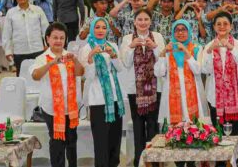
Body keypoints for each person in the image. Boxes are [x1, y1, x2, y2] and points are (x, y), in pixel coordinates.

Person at [31, 23, 84, 167]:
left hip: (71, 109)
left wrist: (75, 60)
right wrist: (52, 63)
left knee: (72, 142)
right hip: (52, 109)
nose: (58, 41)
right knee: (57, 143)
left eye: (62, 38)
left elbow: (80, 72)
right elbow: (35, 76)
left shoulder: (69, 56)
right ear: (47, 39)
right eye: (55, 37)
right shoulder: (43, 58)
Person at [119, 9, 165, 167]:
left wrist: (155, 47)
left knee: (153, 126)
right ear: (134, 22)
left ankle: (154, 162)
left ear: (151, 22)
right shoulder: (126, 39)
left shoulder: (157, 36)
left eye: (146, 19)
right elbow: (125, 62)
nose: (143, 22)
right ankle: (140, 162)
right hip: (135, 91)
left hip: (154, 89)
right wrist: (132, 46)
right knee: (138, 127)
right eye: (140, 19)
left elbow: (163, 59)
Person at [79, 17, 126, 167]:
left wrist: (113, 56)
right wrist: (91, 57)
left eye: (103, 28)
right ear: (92, 29)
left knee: (115, 138)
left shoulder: (112, 45)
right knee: (101, 140)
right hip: (97, 99)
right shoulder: (86, 49)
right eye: (97, 27)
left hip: (114, 97)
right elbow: (89, 76)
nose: (100, 30)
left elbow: (119, 69)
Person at [202, 12, 238, 147]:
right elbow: (205, 70)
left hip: (237, 95)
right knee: (217, 133)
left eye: (225, 24)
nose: (222, 27)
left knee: (234, 133)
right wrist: (210, 50)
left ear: (231, 27)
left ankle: (233, 161)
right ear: (214, 27)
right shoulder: (209, 45)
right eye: (218, 24)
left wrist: (231, 48)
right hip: (215, 96)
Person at [156, 20, 208, 125]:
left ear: (189, 31)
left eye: (183, 30)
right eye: (177, 30)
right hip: (172, 94)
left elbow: (198, 70)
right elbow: (159, 73)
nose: (180, 33)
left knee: (194, 127)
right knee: (174, 131)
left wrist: (185, 51)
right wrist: (162, 53)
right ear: (173, 33)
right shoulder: (168, 49)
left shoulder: (197, 48)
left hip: (193, 92)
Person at [3, 0, 49, 76]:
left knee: (40, 77)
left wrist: (47, 45)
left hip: (37, 49)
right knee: (22, 78)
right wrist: (7, 50)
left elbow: (46, 29)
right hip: (19, 51)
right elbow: (6, 34)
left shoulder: (37, 10)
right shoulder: (11, 13)